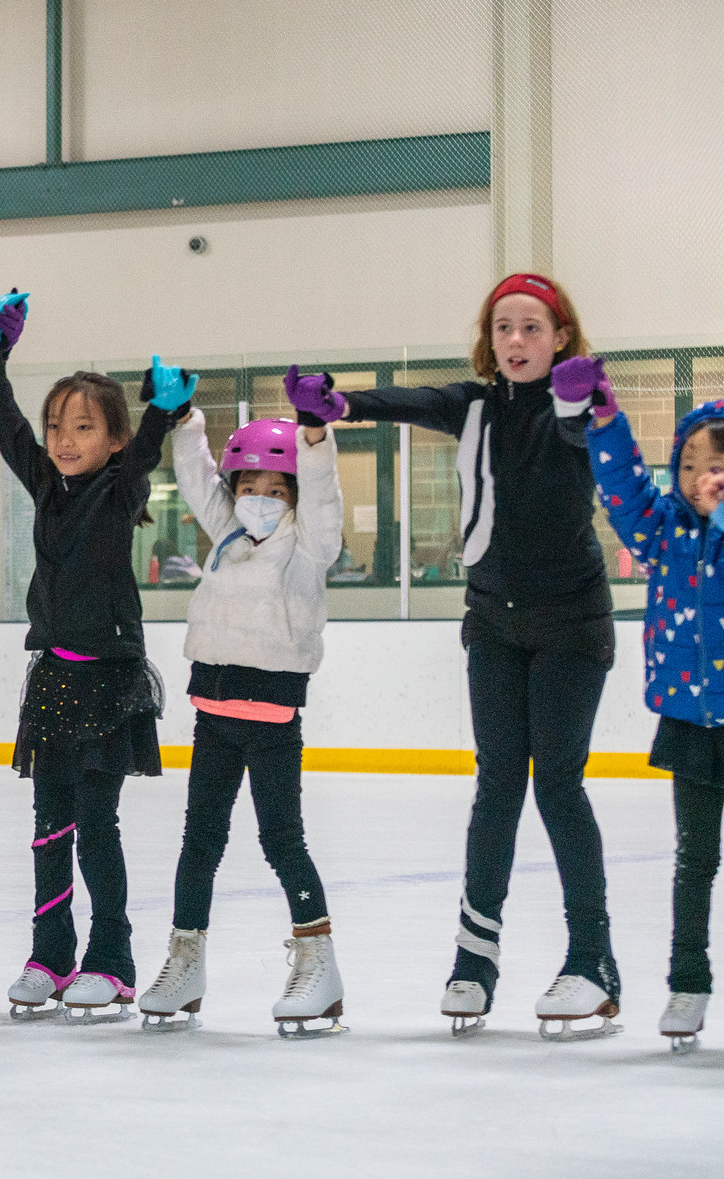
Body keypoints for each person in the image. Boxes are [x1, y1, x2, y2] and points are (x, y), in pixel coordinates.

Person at [287, 272, 620, 1038]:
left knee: (559, 786)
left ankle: (593, 962)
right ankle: (474, 961)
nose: (516, 341)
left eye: (533, 327)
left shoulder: (579, 406)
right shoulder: (472, 406)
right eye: (504, 327)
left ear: (562, 335)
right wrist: (330, 404)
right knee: (498, 784)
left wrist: (588, 399)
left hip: (572, 625)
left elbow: (590, 440)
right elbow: (391, 402)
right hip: (494, 626)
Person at [0, 290, 183, 1022]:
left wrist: (158, 410)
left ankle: (112, 959)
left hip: (109, 683)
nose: (65, 439)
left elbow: (149, 449)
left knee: (96, 825)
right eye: (57, 426)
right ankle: (48, 952)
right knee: (49, 826)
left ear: (114, 441)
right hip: (55, 678)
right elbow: (3, 427)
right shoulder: (45, 488)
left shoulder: (120, 488)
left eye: (83, 427)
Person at [576, 367, 724, 1052]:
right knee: (693, 862)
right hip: (690, 721)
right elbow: (625, 494)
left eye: (716, 464)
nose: (700, 476)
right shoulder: (666, 533)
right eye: (689, 463)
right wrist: (606, 423)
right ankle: (686, 984)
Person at [138, 389, 346, 1035]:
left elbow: (325, 501)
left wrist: (313, 438)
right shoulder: (227, 536)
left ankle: (319, 965)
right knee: (200, 841)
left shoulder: (308, 547)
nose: (258, 496)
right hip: (214, 713)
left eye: (274, 489)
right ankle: (185, 960)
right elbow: (198, 477)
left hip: (273, 718)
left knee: (282, 840)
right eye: (248, 483)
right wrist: (185, 418)